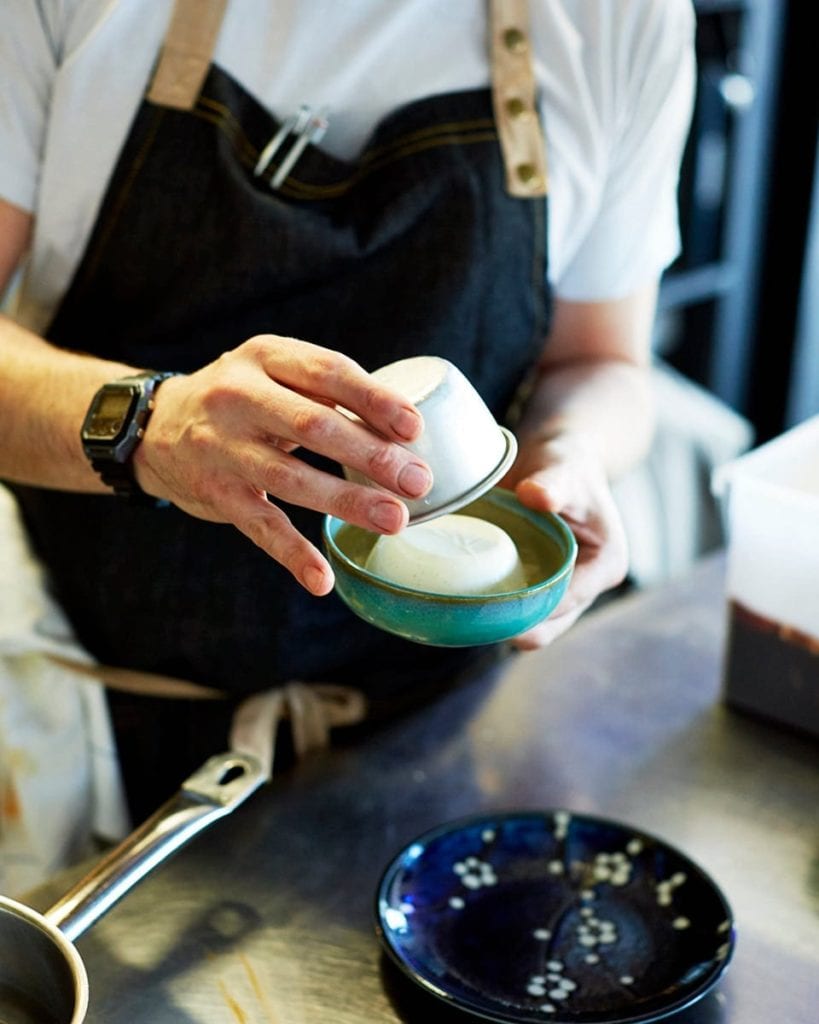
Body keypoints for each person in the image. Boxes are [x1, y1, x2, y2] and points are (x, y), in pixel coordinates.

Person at [0, 0, 696, 824]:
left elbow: (603, 361)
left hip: (439, 727)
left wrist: (569, 450)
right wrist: (150, 426)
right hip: (92, 716)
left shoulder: (619, 18)